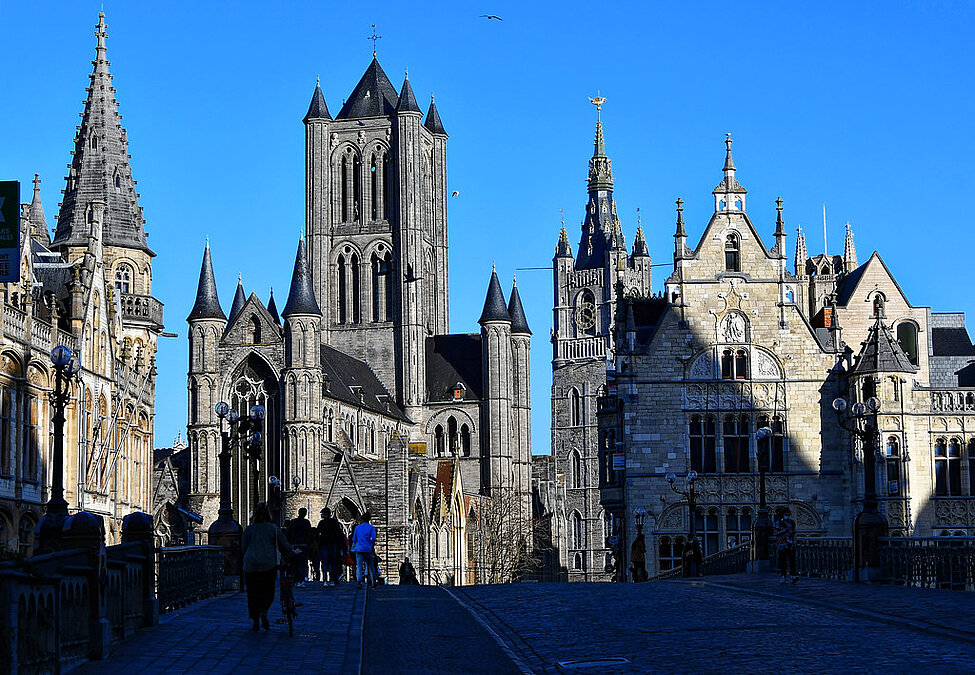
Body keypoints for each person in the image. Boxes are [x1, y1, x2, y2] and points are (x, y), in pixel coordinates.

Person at [241, 502, 293, 631]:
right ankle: (264, 610)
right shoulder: (273, 528)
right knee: (267, 591)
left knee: (252, 593)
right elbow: (284, 546)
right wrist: (290, 553)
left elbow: (243, 547)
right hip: (267, 564)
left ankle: (255, 620)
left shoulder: (249, 529)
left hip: (250, 564)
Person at [316, 507, 346, 587]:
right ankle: (332, 580)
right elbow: (340, 535)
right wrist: (342, 548)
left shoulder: (322, 523)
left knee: (325, 563)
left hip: (324, 545)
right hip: (333, 545)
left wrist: (319, 543)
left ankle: (325, 580)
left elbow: (317, 534)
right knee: (332, 563)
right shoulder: (335, 522)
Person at [350, 511, 377, 589]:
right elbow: (374, 538)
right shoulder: (371, 528)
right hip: (368, 549)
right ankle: (373, 582)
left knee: (359, 566)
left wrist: (358, 544)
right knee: (370, 566)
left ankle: (359, 582)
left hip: (359, 549)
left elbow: (354, 539)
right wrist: (370, 544)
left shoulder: (357, 528)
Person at [287, 507, 313, 587]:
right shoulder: (306, 522)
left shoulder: (293, 522)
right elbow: (309, 534)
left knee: (294, 563)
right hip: (303, 546)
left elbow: (288, 533)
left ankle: (295, 580)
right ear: (305, 514)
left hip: (294, 545)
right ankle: (301, 580)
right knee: (302, 564)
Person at [775, 508, 799, 584]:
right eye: (786, 515)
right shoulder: (779, 522)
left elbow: (794, 533)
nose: (787, 516)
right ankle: (783, 576)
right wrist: (784, 531)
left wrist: (795, 542)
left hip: (790, 544)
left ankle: (793, 575)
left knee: (792, 560)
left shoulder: (792, 522)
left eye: (788, 515)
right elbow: (776, 533)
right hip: (782, 544)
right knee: (783, 561)